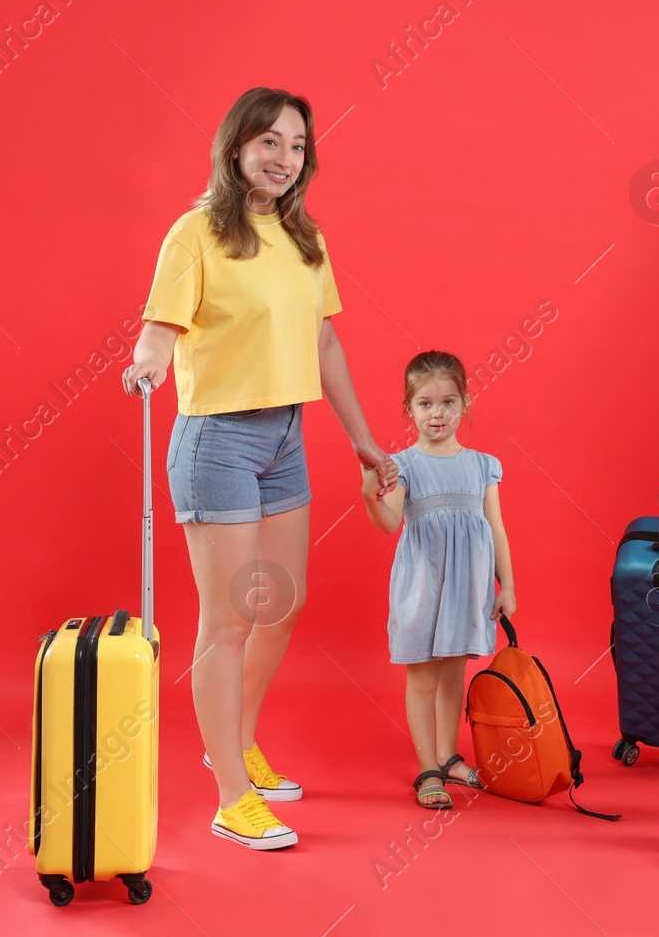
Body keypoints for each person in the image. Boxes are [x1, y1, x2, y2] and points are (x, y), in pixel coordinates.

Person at [121, 86, 398, 851]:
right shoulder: (196, 234)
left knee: (280, 603)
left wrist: (363, 439)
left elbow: (326, 345)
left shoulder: (305, 240)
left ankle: (234, 742)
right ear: (237, 147)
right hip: (217, 439)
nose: (284, 157)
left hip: (286, 436)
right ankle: (231, 797)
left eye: (298, 145)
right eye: (270, 142)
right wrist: (146, 362)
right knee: (231, 616)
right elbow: (159, 328)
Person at [360, 351, 517, 809]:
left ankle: (449, 757)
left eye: (448, 402)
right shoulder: (402, 465)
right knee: (423, 679)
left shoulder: (483, 465)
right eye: (425, 404)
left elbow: (496, 527)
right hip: (423, 586)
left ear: (465, 402)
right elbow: (391, 524)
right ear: (408, 408)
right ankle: (428, 768)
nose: (437, 413)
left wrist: (506, 584)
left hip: (467, 588)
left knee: (454, 678)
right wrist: (370, 496)